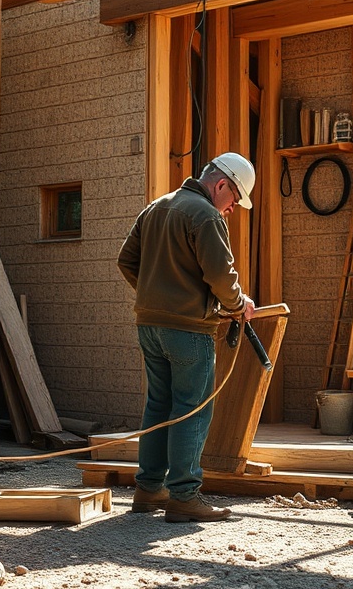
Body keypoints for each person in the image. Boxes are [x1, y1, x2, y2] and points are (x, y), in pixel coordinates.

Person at [117, 152, 256, 523]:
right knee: (192, 409)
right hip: (189, 330)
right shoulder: (205, 215)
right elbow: (221, 276)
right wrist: (237, 304)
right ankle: (183, 496)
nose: (231, 210)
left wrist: (155, 296)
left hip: (149, 325)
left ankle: (148, 490)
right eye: (234, 201)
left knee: (158, 406)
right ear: (222, 183)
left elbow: (126, 260)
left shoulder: (156, 207)